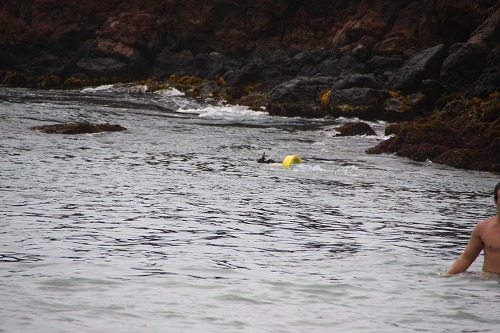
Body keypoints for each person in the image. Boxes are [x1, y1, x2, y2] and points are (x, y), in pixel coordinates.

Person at [447, 183, 500, 274]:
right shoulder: (483, 228)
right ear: (496, 201)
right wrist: (446, 277)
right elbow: (466, 259)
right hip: (488, 284)